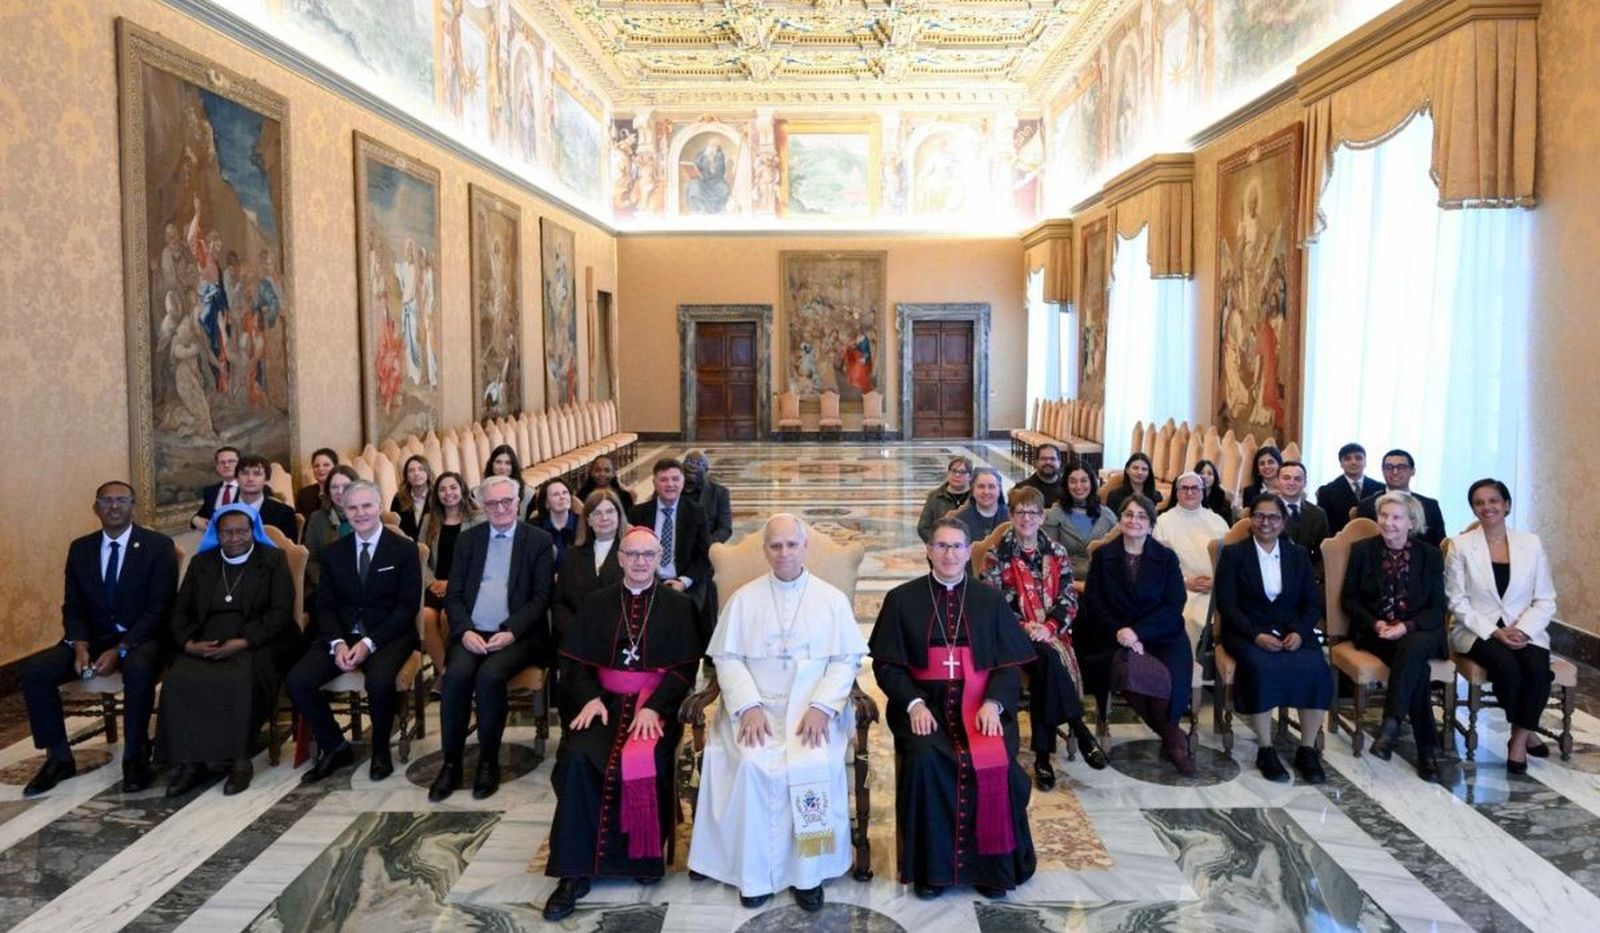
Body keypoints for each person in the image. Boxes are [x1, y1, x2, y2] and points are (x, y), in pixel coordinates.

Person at [688, 514, 869, 912]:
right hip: (757, 712)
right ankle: (753, 875)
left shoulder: (831, 600)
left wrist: (823, 708)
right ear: (764, 549)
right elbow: (728, 659)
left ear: (805, 548)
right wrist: (748, 706)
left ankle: (809, 875)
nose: (784, 552)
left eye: (791, 545)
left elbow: (845, 660)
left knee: (811, 764)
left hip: (811, 711)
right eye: (776, 545)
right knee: (751, 767)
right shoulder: (743, 600)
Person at [869, 518, 1036, 900]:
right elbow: (887, 665)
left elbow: (1008, 665)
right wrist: (911, 703)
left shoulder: (988, 599)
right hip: (925, 709)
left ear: (968, 551)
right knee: (925, 761)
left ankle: (993, 867)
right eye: (941, 546)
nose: (949, 554)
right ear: (928, 550)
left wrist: (994, 704)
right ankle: (932, 871)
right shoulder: (902, 599)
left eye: (957, 547)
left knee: (1001, 768)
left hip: (980, 708)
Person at [542, 528, 703, 922]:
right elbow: (575, 662)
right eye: (632, 554)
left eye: (648, 554)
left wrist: (659, 707)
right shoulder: (597, 603)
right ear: (619, 558)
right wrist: (588, 698)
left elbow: (685, 667)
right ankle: (573, 873)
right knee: (579, 757)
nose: (641, 562)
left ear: (659, 556)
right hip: (604, 704)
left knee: (645, 759)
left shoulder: (677, 606)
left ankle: (641, 859)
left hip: (653, 706)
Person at [21, 482, 177, 796]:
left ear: (134, 506)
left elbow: (159, 608)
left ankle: (135, 756)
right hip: (90, 638)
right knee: (35, 671)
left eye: (121, 500)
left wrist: (120, 650)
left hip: (141, 637)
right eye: (106, 501)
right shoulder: (81, 548)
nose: (114, 507)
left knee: (138, 669)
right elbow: (73, 605)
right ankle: (59, 757)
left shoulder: (158, 545)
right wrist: (79, 646)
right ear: (96, 508)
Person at [287, 480, 423, 784]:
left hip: (389, 635)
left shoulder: (403, 549)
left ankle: (380, 752)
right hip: (342, 635)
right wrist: (336, 643)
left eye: (366, 506)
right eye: (353, 507)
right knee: (299, 679)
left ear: (378, 507)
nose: (360, 513)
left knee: (378, 681)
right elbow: (325, 606)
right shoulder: (334, 552)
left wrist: (369, 644)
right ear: (344, 511)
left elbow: (406, 607)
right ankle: (335, 746)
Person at [160, 505, 299, 797]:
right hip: (206, 638)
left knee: (239, 678)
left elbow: (280, 612)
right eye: (227, 533)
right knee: (180, 678)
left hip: (259, 639)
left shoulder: (272, 559)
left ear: (253, 532)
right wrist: (188, 644)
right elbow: (180, 610)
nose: (235, 538)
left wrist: (243, 641)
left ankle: (238, 761)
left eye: (242, 531)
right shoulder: (202, 563)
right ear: (217, 534)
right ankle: (191, 761)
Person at [432, 476, 556, 801]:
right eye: (492, 503)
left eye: (506, 502)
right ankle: (451, 764)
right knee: (455, 677)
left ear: (518, 503)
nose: (500, 509)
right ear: (483, 506)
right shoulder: (468, 540)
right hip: (472, 632)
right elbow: (454, 594)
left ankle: (488, 762)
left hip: (519, 636)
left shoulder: (538, 541)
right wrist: (464, 630)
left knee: (489, 677)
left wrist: (511, 631)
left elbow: (541, 598)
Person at [980, 487, 1106, 789]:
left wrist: (1048, 627)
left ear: (1041, 517)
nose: (1027, 518)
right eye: (1020, 512)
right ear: (1011, 515)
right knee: (1048, 658)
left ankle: (1042, 757)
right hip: (1011, 637)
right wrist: (1026, 627)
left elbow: (1069, 599)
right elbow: (992, 605)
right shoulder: (995, 556)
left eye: (1033, 512)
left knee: (1044, 671)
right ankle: (1078, 727)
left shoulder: (1056, 552)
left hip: (1051, 634)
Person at [1213, 494, 1331, 784]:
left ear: (1283, 521)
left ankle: (1306, 749)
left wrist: (1300, 632)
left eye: (1273, 517)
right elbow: (1228, 605)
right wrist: (1256, 635)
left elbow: (1312, 603)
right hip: (1247, 632)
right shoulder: (1233, 554)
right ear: (1250, 519)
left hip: (1293, 631)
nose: (1266, 523)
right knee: (1262, 667)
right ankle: (1265, 748)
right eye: (1260, 516)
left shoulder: (1298, 555)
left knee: (1315, 667)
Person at [1444, 479, 1558, 773]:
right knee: (1506, 666)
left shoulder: (1530, 544)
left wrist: (1523, 629)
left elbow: (1545, 598)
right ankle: (1525, 735)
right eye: (1479, 502)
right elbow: (1456, 600)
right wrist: (1495, 631)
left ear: (1506, 505)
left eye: (1493, 500)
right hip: (1476, 630)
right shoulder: (1461, 545)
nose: (1487, 507)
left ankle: (1518, 737)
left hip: (1524, 628)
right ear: (1473, 509)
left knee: (1537, 669)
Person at [1080, 495, 1195, 776]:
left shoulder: (1166, 559)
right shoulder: (1104, 556)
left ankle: (1171, 738)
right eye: (1128, 515)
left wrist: (1139, 631)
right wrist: (1121, 631)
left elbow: (1173, 605)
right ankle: (1175, 741)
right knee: (1132, 671)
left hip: (1162, 635)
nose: (1134, 521)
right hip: (1113, 636)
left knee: (1168, 679)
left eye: (1141, 516)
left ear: (1151, 524)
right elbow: (1094, 604)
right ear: (1120, 520)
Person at [1341, 491, 1448, 781]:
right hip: (1377, 633)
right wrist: (1376, 624)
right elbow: (1349, 600)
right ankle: (1426, 751)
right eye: (1384, 516)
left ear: (1411, 522)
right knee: (1417, 670)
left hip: (1420, 631)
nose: (1388, 523)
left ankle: (1391, 724)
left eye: (1396, 517)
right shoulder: (1363, 550)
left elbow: (1438, 607)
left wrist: (1405, 626)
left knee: (1412, 646)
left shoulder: (1430, 555)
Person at [628, 458, 715, 642]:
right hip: (647, 581)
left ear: (683, 482)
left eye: (675, 479)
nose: (670, 484)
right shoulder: (637, 514)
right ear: (654, 483)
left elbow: (704, 557)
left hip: (685, 584)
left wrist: (683, 582)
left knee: (683, 619)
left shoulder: (696, 512)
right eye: (664, 479)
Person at [1152, 472, 1230, 650]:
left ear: (1203, 492)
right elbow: (1158, 567)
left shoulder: (1217, 521)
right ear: (1176, 492)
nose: (1190, 493)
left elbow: (1230, 560)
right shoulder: (1162, 523)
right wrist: (1185, 582)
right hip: (1180, 590)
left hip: (1216, 589)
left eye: (1195, 488)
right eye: (1184, 488)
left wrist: (1217, 581)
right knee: (1189, 619)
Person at [420, 472, 477, 685]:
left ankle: (455, 674)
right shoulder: (429, 520)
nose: (448, 493)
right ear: (436, 494)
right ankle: (447, 674)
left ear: (462, 489)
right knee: (425, 616)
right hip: (435, 584)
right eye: (442, 489)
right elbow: (421, 555)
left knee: (447, 615)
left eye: (453, 488)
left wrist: (453, 583)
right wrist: (431, 581)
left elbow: (478, 559)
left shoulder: (477, 518)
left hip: (462, 585)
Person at [1356, 450, 1448, 547]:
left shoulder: (1430, 505)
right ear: (1382, 471)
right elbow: (1361, 545)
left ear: (1413, 471)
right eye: (1389, 467)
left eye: (1401, 467)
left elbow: (1440, 544)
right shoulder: (1366, 505)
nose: (1395, 472)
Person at [1042, 465, 1117, 580]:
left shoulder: (1107, 515)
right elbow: (1049, 554)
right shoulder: (1055, 514)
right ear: (1066, 485)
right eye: (1073, 481)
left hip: (1103, 581)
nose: (1078, 486)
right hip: (1066, 580)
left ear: (1092, 482)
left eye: (1084, 481)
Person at [302, 464, 360, 606]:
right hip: (326, 587)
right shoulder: (317, 518)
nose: (340, 492)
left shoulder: (368, 516)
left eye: (346, 486)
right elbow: (311, 560)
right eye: (334, 487)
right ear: (328, 490)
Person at [1316, 442, 1383, 536]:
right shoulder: (1327, 491)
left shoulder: (1380, 488)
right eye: (1347, 459)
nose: (1353, 462)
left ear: (1365, 462)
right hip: (1341, 543)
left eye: (1358, 458)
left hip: (1374, 542)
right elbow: (1324, 526)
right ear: (1341, 463)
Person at [1275, 461, 1329, 577]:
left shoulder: (1317, 514)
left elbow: (1323, 553)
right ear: (1277, 482)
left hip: (1307, 575)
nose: (1291, 483)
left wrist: (1314, 576)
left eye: (1297, 479)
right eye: (1286, 478)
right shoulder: (1266, 511)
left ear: (1305, 483)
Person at [233, 454, 298, 542]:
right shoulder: (224, 511)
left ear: (266, 479)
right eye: (244, 473)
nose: (250, 478)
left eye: (257, 474)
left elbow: (289, 552)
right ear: (236, 478)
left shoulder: (284, 513)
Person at [916, 456, 974, 542]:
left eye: (962, 472)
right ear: (948, 473)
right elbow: (923, 528)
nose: (957, 475)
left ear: (970, 476)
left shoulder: (975, 497)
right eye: (954, 471)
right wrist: (938, 543)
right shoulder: (935, 496)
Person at [528, 477, 580, 569]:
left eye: (565, 493)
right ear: (546, 503)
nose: (562, 497)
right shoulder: (533, 528)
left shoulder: (582, 524)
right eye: (556, 494)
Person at [683, 450, 734, 544]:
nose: (693, 466)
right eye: (689, 461)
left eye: (699, 463)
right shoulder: (670, 490)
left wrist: (707, 544)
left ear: (706, 469)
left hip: (706, 548)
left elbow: (725, 528)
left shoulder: (720, 493)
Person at [950, 467, 1009, 543]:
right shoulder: (960, 521)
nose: (986, 491)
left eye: (991, 486)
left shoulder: (1012, 517)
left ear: (999, 490)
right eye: (981, 486)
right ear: (973, 490)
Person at [191, 446, 242, 531]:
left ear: (240, 464)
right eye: (222, 462)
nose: (226, 465)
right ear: (217, 467)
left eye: (231, 461)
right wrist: (194, 519)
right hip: (217, 542)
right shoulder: (210, 491)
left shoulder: (255, 490)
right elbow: (202, 515)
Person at [483, 444, 535, 517]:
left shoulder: (529, 495)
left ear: (513, 466)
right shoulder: (477, 494)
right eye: (498, 462)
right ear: (491, 464)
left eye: (508, 463)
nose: (502, 467)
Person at [1105, 452, 1163, 516]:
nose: (1140, 472)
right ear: (1127, 470)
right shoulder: (1114, 496)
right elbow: (1112, 522)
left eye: (1144, 469)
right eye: (1135, 468)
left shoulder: (1156, 497)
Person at [391, 455, 434, 540]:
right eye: (411, 470)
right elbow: (394, 528)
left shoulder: (437, 496)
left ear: (428, 473)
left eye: (421, 469)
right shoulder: (398, 498)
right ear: (406, 476)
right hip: (406, 547)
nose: (416, 473)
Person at [1014, 443, 1066, 509]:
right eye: (1043, 459)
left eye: (1052, 459)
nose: (1048, 462)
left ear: (1059, 462)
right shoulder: (1022, 489)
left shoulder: (1068, 488)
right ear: (1036, 462)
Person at [295, 448, 339, 519]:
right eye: (316, 466)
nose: (320, 469)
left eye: (326, 465)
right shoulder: (303, 494)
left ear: (336, 467)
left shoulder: (343, 492)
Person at [1193, 459, 1236, 525]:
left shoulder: (1222, 497)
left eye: (1209, 474)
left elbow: (1227, 524)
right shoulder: (1190, 495)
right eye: (1201, 473)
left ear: (1215, 477)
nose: (1205, 476)